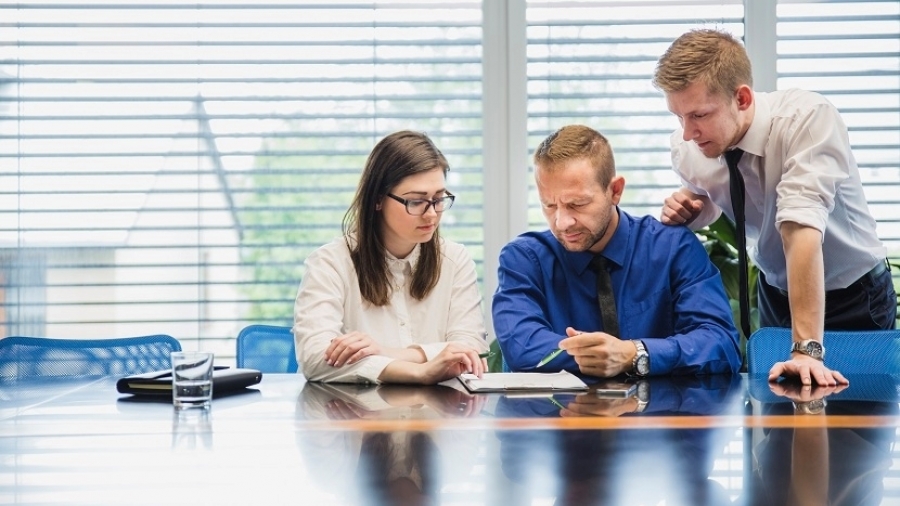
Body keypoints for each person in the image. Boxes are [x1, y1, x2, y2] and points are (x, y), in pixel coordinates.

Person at [653, 29, 896, 387]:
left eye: (699, 115)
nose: (688, 133)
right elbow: (716, 196)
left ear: (743, 98)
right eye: (679, 117)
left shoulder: (808, 120)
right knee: (779, 415)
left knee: (856, 419)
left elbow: (799, 229)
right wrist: (695, 206)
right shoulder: (690, 147)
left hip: (854, 295)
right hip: (775, 291)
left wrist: (807, 349)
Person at [492, 124, 742, 378]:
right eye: (549, 206)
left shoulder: (673, 248)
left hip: (662, 415)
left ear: (615, 191)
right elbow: (521, 347)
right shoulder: (523, 260)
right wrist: (602, 355)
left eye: (576, 204)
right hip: (561, 414)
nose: (562, 222)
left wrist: (635, 354)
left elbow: (721, 344)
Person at [293, 130, 488, 384]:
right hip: (355, 415)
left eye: (439, 199)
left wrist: (385, 353)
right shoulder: (330, 263)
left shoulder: (455, 260)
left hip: (439, 416)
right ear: (377, 200)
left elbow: (470, 349)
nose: (432, 215)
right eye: (416, 201)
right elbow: (315, 357)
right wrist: (420, 371)